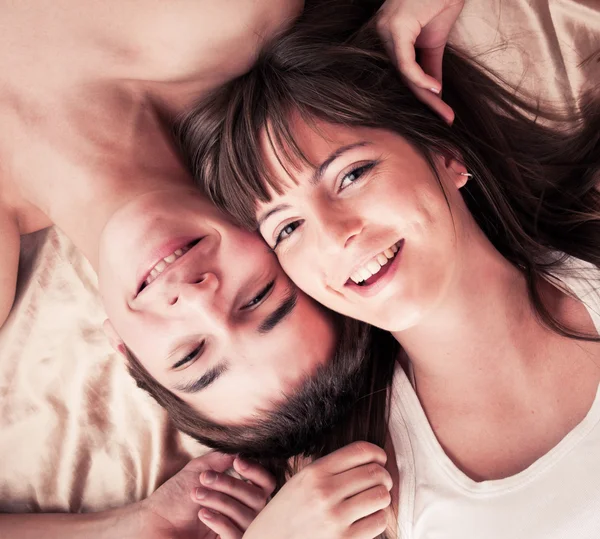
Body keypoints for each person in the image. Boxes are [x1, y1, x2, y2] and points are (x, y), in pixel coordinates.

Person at [0, 0, 466, 537]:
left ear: (123, 350)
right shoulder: (224, 18)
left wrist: (126, 528)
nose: (198, 298)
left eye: (191, 353)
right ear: (279, 236)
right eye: (256, 298)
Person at [177, 2, 600, 538]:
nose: (335, 236)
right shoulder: (361, 495)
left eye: (352, 174)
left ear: (443, 152)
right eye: (287, 228)